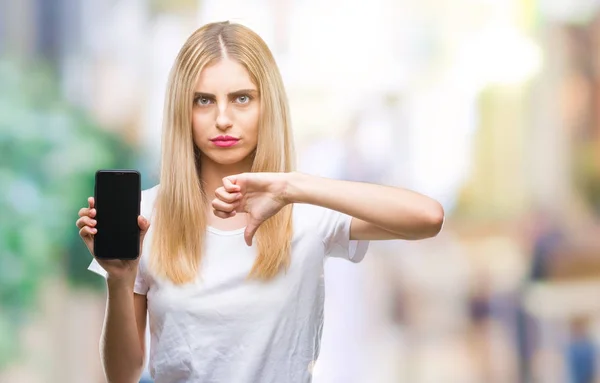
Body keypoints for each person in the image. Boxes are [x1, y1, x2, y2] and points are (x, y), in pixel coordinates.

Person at [75, 21, 445, 383]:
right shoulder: (145, 216)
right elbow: (122, 375)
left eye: (241, 98)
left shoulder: (304, 207)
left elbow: (428, 218)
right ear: (181, 112)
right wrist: (119, 281)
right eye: (204, 101)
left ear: (267, 105)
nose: (223, 119)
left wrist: (293, 185)